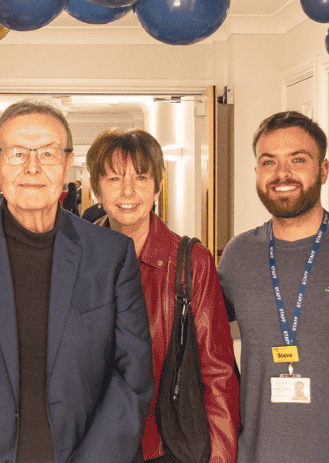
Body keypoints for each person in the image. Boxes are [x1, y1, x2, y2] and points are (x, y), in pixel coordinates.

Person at [0, 100, 154, 463]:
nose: (32, 167)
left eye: (48, 153)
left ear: (68, 163)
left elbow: (132, 377)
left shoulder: (111, 255)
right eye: (17, 153)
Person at [217, 111, 329, 463]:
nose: (282, 173)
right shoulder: (238, 255)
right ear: (257, 172)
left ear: (324, 170)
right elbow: (196, 343)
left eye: (298, 160)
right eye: (268, 162)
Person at [86, 128, 240, 463]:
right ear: (97, 188)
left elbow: (217, 372)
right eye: (114, 178)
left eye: (141, 177)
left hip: (163, 445)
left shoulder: (191, 262)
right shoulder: (76, 257)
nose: (128, 191)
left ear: (158, 186)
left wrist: (220, 457)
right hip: (91, 445)